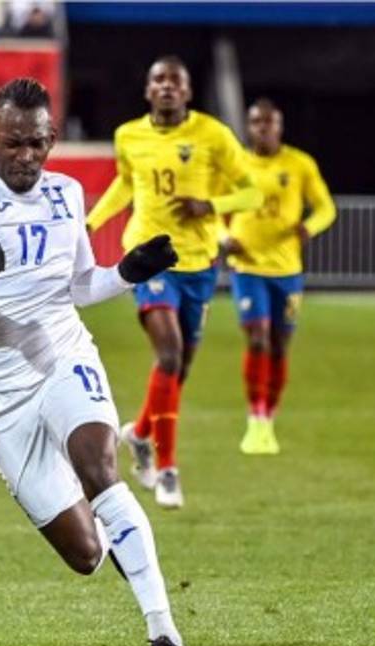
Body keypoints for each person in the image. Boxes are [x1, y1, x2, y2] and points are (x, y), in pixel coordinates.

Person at [0, 78, 188, 646]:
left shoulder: (66, 194)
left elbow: (77, 287)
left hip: (61, 353)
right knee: (87, 554)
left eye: (38, 144)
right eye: (13, 144)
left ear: (53, 138)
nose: (26, 157)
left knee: (102, 468)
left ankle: (165, 635)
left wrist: (127, 272)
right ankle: (110, 524)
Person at [86, 55, 263, 509]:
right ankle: (167, 469)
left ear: (187, 91)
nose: (166, 86)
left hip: (199, 264)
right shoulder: (129, 135)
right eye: (158, 80)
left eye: (175, 81)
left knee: (178, 369)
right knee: (168, 354)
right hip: (149, 258)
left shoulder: (213, 135)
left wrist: (210, 204)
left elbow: (252, 191)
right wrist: (90, 223)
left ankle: (141, 434)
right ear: (148, 91)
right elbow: (126, 185)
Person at [222, 98, 335, 454]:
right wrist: (224, 239)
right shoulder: (234, 165)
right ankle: (255, 418)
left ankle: (269, 417)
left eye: (269, 123)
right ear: (249, 126)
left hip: (287, 270)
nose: (263, 128)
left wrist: (309, 227)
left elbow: (326, 207)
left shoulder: (300, 164)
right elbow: (209, 212)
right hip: (248, 267)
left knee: (280, 345)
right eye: (256, 122)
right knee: (258, 337)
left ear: (280, 127)